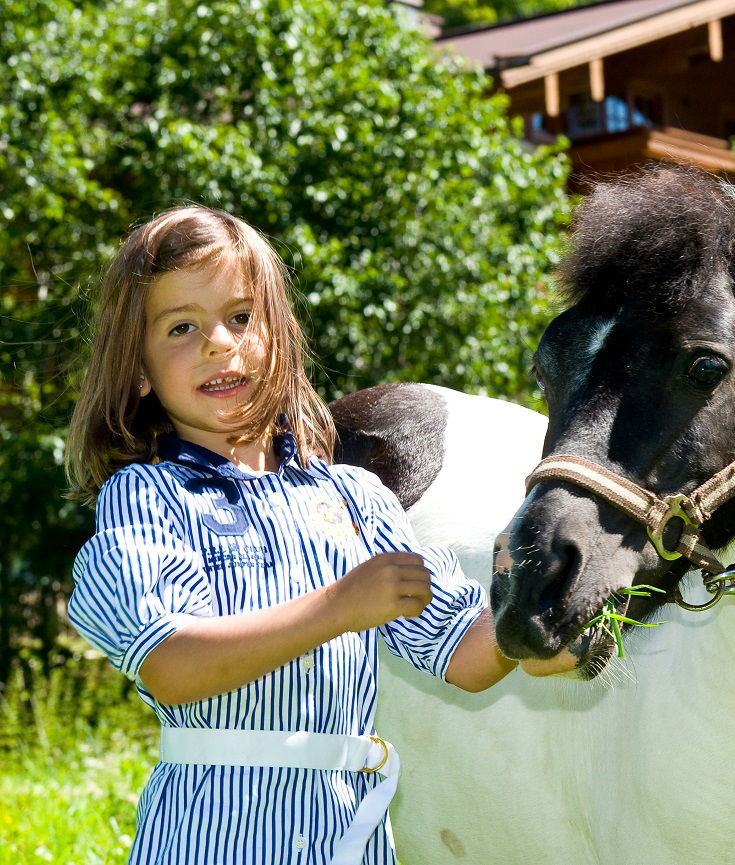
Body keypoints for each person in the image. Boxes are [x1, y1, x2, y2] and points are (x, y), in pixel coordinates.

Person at [64, 205, 517, 865]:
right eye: (182, 327)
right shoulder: (148, 498)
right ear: (140, 371)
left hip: (348, 839)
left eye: (242, 317)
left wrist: (532, 609)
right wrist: (341, 607)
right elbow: (171, 663)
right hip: (213, 843)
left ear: (277, 334)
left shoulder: (357, 499)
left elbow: (465, 655)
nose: (220, 342)